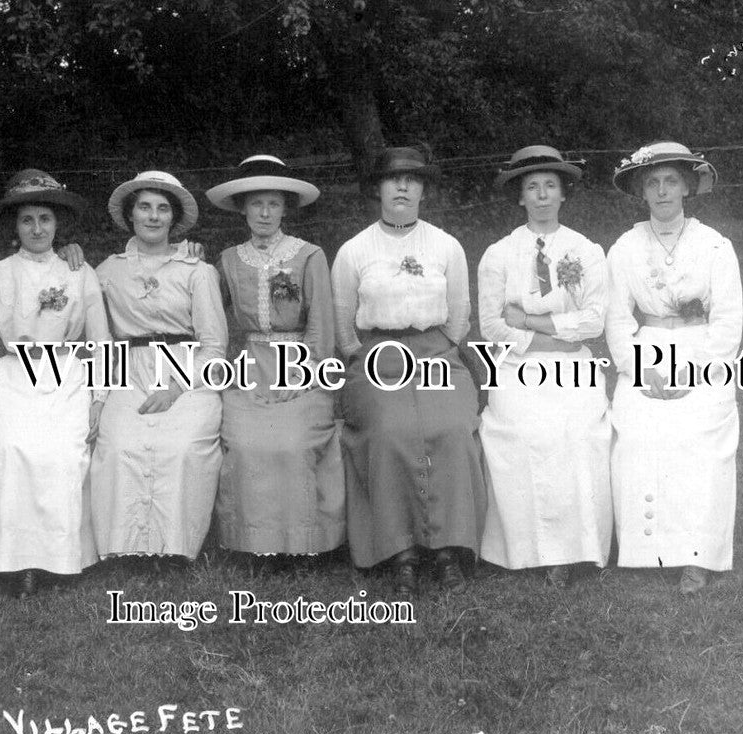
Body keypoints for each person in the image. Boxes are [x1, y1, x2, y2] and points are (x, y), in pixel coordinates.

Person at [330, 145, 486, 595]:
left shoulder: (446, 246)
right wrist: (368, 358)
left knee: (452, 426)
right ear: (377, 189)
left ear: (423, 190)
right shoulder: (354, 250)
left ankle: (449, 549)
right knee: (389, 428)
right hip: (377, 357)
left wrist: (441, 350)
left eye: (412, 179)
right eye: (392, 179)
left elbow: (459, 316)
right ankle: (401, 552)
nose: (402, 186)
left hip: (437, 353)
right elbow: (345, 326)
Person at [0, 169, 110, 598]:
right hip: (12, 376)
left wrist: (99, 399)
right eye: (28, 220)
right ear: (15, 226)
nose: (38, 228)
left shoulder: (80, 273)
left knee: (61, 453)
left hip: (65, 376)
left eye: (45, 218)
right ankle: (14, 561)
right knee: (8, 449)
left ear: (58, 223)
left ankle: (60, 559)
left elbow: (100, 344)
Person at [606, 141, 743, 595]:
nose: (662, 191)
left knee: (698, 436)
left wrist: (694, 371)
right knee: (637, 429)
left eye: (671, 181)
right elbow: (618, 319)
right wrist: (643, 370)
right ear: (642, 192)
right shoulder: (625, 247)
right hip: (648, 349)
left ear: (687, 187)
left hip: (701, 353)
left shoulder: (715, 245)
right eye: (653, 183)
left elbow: (727, 322)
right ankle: (646, 551)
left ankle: (697, 555)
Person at [476, 145, 612, 588]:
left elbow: (594, 320)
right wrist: (543, 338)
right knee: (524, 432)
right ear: (520, 197)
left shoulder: (585, 250)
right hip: (518, 367)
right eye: (532, 187)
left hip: (573, 366)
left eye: (549, 186)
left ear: (562, 194)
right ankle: (526, 549)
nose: (541, 196)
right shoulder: (499, 254)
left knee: (574, 433)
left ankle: (576, 550)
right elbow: (494, 325)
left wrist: (535, 322)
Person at [204, 155, 344, 561]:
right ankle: (253, 541)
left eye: (274, 204)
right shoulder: (229, 260)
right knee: (246, 442)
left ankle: (302, 541)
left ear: (285, 208)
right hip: (251, 366)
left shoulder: (309, 255)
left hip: (302, 363)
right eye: (256, 204)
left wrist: (304, 375)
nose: (264, 213)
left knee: (292, 441)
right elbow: (207, 311)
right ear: (243, 208)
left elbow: (321, 322)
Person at [91, 171, 227, 561]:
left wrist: (174, 386)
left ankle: (176, 547)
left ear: (173, 217)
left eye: (162, 208)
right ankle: (124, 547)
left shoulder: (197, 270)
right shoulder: (106, 272)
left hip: (187, 373)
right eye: (145, 207)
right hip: (128, 372)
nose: (153, 216)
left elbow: (215, 346)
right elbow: (92, 331)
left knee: (182, 446)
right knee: (118, 446)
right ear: (130, 215)